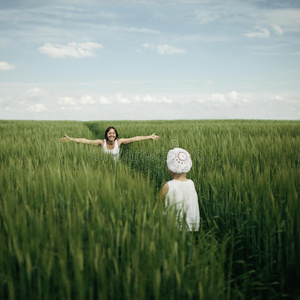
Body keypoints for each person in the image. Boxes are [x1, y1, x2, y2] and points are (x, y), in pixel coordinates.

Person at [59, 126, 159, 160]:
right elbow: (86, 141)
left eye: (113, 133)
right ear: (106, 134)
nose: (112, 135)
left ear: (116, 135)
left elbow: (135, 138)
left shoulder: (119, 142)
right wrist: (71, 139)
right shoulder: (101, 143)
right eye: (110, 133)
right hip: (105, 170)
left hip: (117, 170)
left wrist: (149, 137)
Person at [160, 148, 200, 231]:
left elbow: (158, 206)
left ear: (170, 168)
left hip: (173, 230)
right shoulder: (191, 183)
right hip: (191, 228)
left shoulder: (167, 186)